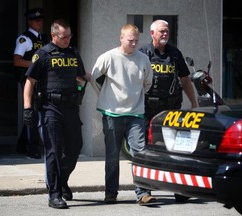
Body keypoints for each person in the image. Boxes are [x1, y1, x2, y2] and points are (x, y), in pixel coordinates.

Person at [23, 19, 90, 209]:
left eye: (70, 35)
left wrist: (84, 81)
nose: (68, 39)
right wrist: (27, 108)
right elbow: (30, 82)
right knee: (53, 150)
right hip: (50, 108)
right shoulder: (43, 54)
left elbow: (80, 76)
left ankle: (61, 180)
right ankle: (54, 194)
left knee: (75, 147)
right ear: (54, 36)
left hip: (71, 108)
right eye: (64, 36)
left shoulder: (73, 53)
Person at [91, 24, 155, 205]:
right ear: (121, 38)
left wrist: (136, 96)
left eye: (136, 40)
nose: (134, 43)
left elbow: (148, 82)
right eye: (130, 40)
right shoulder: (108, 57)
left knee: (140, 153)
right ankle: (111, 193)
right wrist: (104, 96)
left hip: (136, 114)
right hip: (112, 114)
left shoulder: (143, 59)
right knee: (112, 155)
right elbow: (94, 78)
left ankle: (143, 193)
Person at [139, 19, 198, 123]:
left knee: (170, 138)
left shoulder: (175, 53)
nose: (165, 34)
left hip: (171, 108)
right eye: (162, 31)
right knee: (147, 138)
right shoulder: (143, 53)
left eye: (167, 31)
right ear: (152, 33)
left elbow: (185, 79)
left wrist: (194, 103)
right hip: (147, 108)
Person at [13, 8, 47, 159]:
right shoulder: (24, 39)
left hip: (40, 80)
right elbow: (17, 61)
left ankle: (22, 145)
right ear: (29, 21)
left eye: (40, 20)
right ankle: (31, 148)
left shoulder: (43, 38)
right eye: (35, 20)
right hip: (28, 80)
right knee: (31, 112)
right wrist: (36, 65)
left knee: (35, 112)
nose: (39, 22)